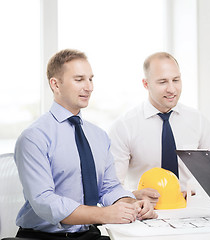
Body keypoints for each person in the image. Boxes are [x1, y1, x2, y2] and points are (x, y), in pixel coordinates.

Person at [14, 49, 157, 240]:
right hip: (42, 237)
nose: (89, 87)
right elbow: (45, 202)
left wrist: (132, 203)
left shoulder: (98, 136)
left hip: (88, 234)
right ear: (55, 84)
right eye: (79, 79)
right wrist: (104, 214)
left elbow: (109, 188)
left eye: (91, 79)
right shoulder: (34, 137)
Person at [109, 52, 210, 205]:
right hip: (144, 213)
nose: (172, 89)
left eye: (176, 80)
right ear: (146, 84)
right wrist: (134, 196)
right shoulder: (125, 126)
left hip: (191, 211)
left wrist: (197, 192)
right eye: (163, 82)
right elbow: (111, 187)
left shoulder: (197, 120)